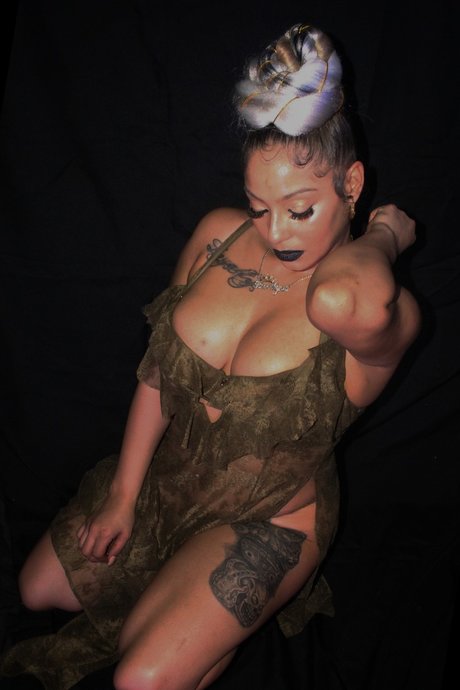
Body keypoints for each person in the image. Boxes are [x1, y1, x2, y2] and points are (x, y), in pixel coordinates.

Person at [0, 22, 420, 690]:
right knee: (35, 590)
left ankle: (185, 633)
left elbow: (345, 299)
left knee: (139, 679)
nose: (276, 232)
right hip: (174, 481)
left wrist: (385, 234)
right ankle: (176, 609)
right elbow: (159, 369)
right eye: (259, 206)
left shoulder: (365, 303)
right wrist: (124, 495)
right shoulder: (218, 237)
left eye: (300, 209)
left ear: (352, 183)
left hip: (269, 518)